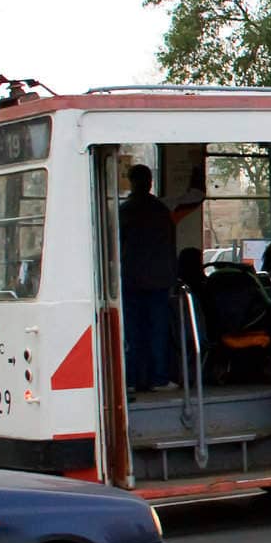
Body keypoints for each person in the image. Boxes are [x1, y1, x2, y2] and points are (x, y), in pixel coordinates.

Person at [119, 164, 178, 394]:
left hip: (130, 280)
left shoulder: (124, 211)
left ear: (132, 182)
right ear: (150, 182)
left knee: (133, 333)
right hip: (159, 282)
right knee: (158, 331)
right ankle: (159, 378)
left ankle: (132, 379)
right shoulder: (161, 210)